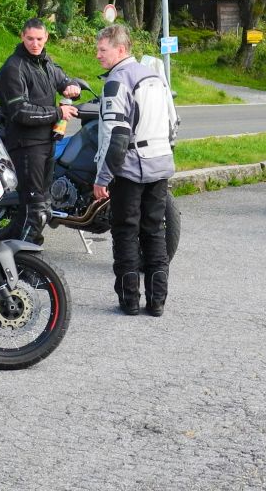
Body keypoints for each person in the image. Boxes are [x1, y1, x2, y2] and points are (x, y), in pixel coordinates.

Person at [92, 24, 176, 316]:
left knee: (126, 232)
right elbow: (172, 123)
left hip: (130, 168)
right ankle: (157, 302)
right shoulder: (155, 77)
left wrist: (102, 177)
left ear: (120, 49)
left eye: (102, 49)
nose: (98, 55)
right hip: (160, 163)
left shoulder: (117, 81)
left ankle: (129, 301)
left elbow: (116, 136)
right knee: (154, 231)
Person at [0, 18, 80, 244]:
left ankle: (17, 249)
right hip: (26, 145)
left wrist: (72, 87)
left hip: (47, 142)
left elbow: (63, 80)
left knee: (42, 203)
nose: (35, 44)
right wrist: (58, 112)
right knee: (35, 206)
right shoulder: (13, 68)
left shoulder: (45, 62)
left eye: (39, 39)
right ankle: (27, 254)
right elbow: (20, 111)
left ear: (46, 38)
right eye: (30, 39)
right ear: (22, 36)